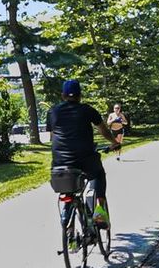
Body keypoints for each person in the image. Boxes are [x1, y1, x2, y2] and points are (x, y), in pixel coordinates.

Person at [47, 79, 118, 225]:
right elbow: (103, 130)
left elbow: (53, 137)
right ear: (80, 95)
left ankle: (69, 228)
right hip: (84, 159)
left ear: (63, 95)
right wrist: (114, 142)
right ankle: (99, 210)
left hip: (60, 163)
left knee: (69, 189)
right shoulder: (87, 110)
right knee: (98, 174)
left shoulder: (53, 112)